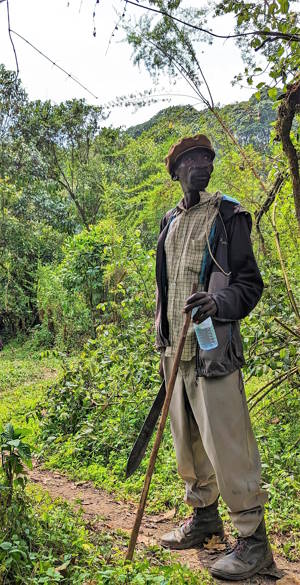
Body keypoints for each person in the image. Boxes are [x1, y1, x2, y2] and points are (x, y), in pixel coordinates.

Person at [155, 134, 274, 581]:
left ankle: (254, 543)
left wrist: (218, 305)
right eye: (192, 159)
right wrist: (163, 338)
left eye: (207, 157)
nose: (203, 164)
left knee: (229, 447)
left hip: (213, 352)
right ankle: (204, 520)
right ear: (177, 172)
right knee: (187, 448)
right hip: (175, 350)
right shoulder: (169, 221)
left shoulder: (229, 215)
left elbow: (249, 285)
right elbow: (165, 289)